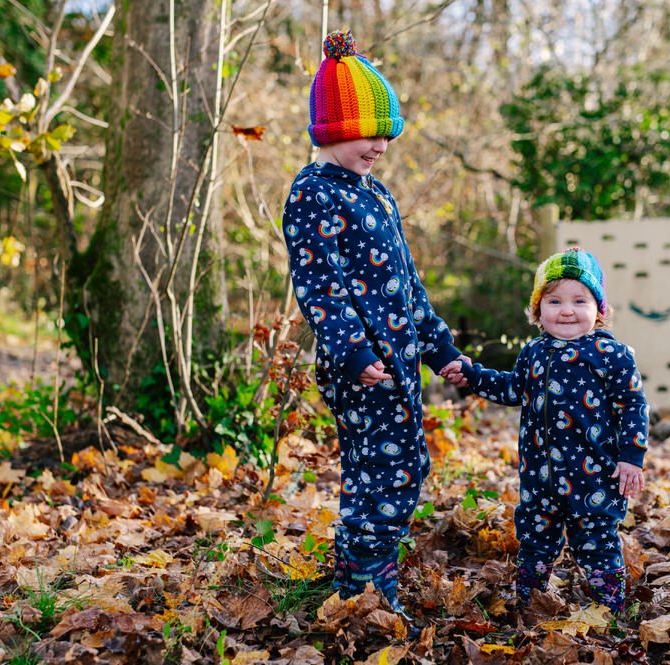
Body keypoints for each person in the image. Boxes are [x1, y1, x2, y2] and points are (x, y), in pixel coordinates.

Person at [282, 30, 466, 622]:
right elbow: (319, 285)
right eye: (369, 132)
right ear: (333, 130)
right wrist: (354, 352)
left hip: (400, 362)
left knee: (398, 464)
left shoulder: (377, 194)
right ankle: (364, 581)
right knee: (388, 467)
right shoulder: (312, 194)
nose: (381, 144)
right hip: (362, 367)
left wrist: (439, 350)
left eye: (387, 132)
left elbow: (408, 286)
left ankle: (362, 566)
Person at [440, 248, 649, 613]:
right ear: (538, 311)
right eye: (554, 301)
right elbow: (511, 388)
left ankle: (611, 609)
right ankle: (529, 602)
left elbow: (632, 405)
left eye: (579, 300)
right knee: (536, 540)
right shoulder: (533, 353)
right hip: (540, 477)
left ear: (599, 309)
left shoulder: (611, 354)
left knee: (597, 542)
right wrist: (473, 375)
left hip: (595, 476)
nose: (566, 310)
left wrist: (632, 457)